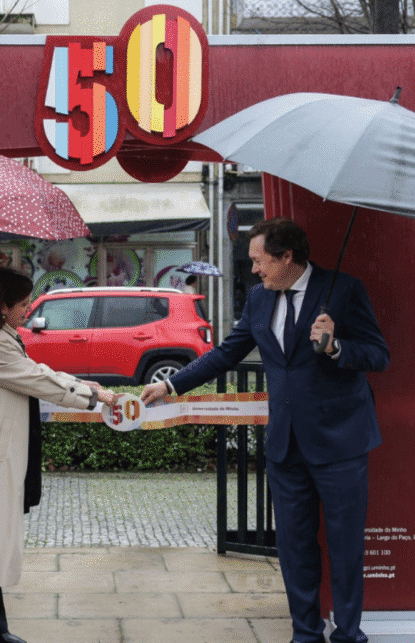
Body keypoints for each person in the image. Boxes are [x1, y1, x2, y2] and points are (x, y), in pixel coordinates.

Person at [142, 218, 389, 643]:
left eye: (259, 260)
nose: (254, 269)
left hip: (340, 443)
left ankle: (348, 634)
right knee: (294, 547)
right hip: (285, 446)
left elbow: (379, 356)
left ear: (286, 256)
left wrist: (335, 347)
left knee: (345, 548)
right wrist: (169, 385)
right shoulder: (258, 299)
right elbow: (226, 354)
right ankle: (305, 632)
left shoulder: (343, 290)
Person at [0, 266, 117, 643]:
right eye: (24, 303)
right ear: (2, 306)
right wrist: (96, 396)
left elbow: (34, 370)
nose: (29, 309)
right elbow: (38, 380)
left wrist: (82, 383)